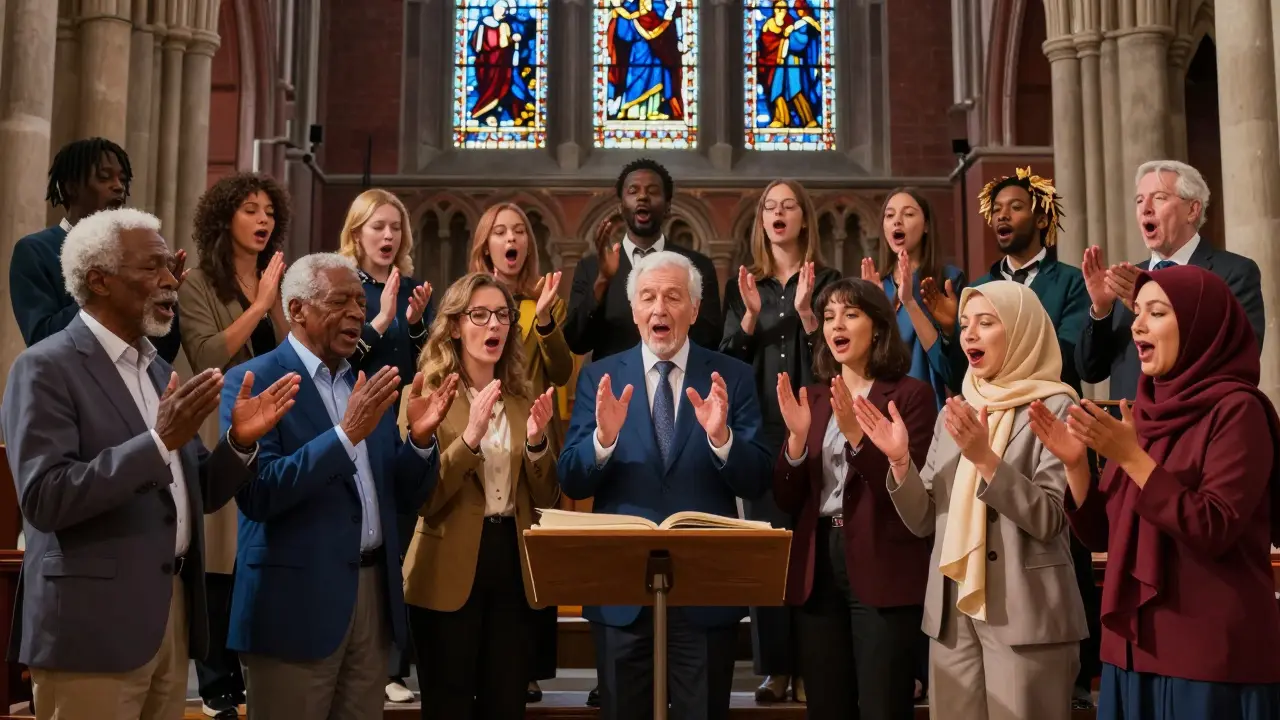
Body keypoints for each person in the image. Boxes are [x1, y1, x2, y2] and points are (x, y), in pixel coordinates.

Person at [0, 208, 298, 720]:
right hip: (92, 627)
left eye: (170, 268)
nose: (170, 282)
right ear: (99, 279)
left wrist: (240, 442)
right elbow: (46, 499)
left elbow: (198, 489)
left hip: (168, 615)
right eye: (153, 268)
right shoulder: (44, 367)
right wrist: (157, 443)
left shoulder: (157, 369)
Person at [1031, 265, 1280, 720]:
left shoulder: (1238, 410)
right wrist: (1076, 465)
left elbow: (1213, 527)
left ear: (1200, 325)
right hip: (1133, 650)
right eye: (1137, 312)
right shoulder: (1147, 412)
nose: (1138, 325)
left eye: (1157, 312)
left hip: (1207, 656)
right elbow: (1106, 534)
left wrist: (1130, 457)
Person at [221, 253, 457, 720]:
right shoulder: (254, 380)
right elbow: (259, 493)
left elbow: (403, 495)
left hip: (371, 597)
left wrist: (422, 441)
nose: (357, 312)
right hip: (293, 605)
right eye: (339, 301)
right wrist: (343, 436)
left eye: (358, 301)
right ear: (297, 311)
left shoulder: (363, 382)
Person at [854, 281, 1087, 720]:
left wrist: (985, 460)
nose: (969, 335)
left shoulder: (1055, 407)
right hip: (952, 616)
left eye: (985, 323)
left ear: (1021, 330)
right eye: (964, 326)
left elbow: (1052, 518)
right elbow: (924, 521)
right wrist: (901, 461)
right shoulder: (956, 410)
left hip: (1026, 613)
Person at [558, 251, 773, 720]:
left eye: (674, 297)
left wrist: (721, 439)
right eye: (649, 297)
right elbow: (570, 475)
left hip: (705, 594)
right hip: (620, 594)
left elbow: (757, 477)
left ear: (694, 310)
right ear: (634, 309)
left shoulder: (729, 377)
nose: (660, 308)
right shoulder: (600, 377)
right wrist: (603, 439)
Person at [772, 278, 935, 720]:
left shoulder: (910, 396)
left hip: (883, 557)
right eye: (828, 317)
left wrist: (857, 438)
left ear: (878, 327)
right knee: (827, 706)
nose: (836, 325)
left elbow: (906, 495)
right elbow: (787, 497)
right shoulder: (816, 397)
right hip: (818, 562)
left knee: (884, 705)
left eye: (850, 314)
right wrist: (797, 442)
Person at [400, 273, 561, 720]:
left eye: (503, 316)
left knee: (505, 703)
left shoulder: (520, 398)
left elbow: (548, 497)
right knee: (447, 705)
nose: (494, 325)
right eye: (480, 315)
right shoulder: (425, 395)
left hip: (511, 561)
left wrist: (535, 444)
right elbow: (423, 498)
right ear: (455, 326)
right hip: (446, 565)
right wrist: (469, 438)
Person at [966, 167, 1097, 707]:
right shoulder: (984, 282)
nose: (1002, 216)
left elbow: (1071, 353)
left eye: (1015, 207)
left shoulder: (1065, 280)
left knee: (1063, 533)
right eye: (996, 209)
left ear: (1041, 216)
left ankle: (1079, 676)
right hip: (990, 405)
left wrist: (1101, 310)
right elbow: (966, 363)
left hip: (1043, 410)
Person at [720, 178, 840, 703]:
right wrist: (748, 317)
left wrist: (812, 314)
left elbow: (837, 357)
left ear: (804, 219)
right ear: (761, 220)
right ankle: (775, 668)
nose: (779, 213)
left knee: (814, 546)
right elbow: (726, 361)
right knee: (771, 548)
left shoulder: (829, 279)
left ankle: (813, 666)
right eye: (770, 206)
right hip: (764, 431)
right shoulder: (744, 284)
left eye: (789, 205)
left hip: (817, 426)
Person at [178, 171, 291, 718]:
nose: (263, 219)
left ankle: (253, 665)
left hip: (275, 430)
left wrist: (275, 302)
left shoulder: (274, 282)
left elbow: (294, 356)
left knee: (258, 549)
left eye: (269, 211)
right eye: (251, 209)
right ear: (225, 218)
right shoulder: (198, 283)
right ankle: (216, 681)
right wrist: (262, 301)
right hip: (221, 427)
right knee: (220, 557)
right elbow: (206, 355)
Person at [468, 201, 574, 702]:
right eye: (499, 231)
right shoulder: (467, 298)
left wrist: (548, 320)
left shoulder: (542, 301)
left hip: (533, 434)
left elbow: (558, 372)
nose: (511, 239)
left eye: (519, 232)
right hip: (481, 427)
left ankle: (527, 665)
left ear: (528, 244)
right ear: (485, 243)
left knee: (532, 550)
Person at [335, 188, 434, 703]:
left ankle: (396, 665)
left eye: (396, 226)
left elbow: (427, 362)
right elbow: (341, 361)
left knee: (402, 539)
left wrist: (415, 324)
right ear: (357, 233)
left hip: (404, 425)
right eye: (378, 226)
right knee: (370, 538)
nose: (389, 236)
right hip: (355, 423)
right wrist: (380, 317)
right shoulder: (343, 289)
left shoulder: (415, 288)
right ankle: (367, 659)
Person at [1076, 160, 1265, 403]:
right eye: (1139, 200)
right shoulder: (1126, 280)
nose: (1146, 209)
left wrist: (1158, 300)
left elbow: (1239, 357)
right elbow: (1090, 371)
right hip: (1128, 430)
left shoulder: (1234, 272)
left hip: (1195, 425)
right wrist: (1101, 311)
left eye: (1160, 198)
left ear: (1193, 210)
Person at [9, 137, 183, 362]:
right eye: (104, 177)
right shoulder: (36, 250)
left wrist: (162, 296)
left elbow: (164, 354)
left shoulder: (134, 253)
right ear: (71, 187)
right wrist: (105, 287)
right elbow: (42, 338)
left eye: (123, 179)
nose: (118, 186)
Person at [564, 158, 722, 362]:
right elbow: (576, 342)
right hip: (615, 388)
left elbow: (711, 339)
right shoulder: (591, 268)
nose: (643, 197)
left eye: (653, 191)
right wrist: (602, 280)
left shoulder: (696, 266)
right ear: (621, 207)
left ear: (667, 206)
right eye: (633, 191)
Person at [861, 187, 966, 409]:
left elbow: (954, 373)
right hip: (881, 408)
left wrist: (911, 303)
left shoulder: (947, 281)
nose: (897, 221)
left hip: (930, 408)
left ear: (926, 225)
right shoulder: (877, 286)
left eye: (908, 214)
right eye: (890, 215)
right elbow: (865, 364)